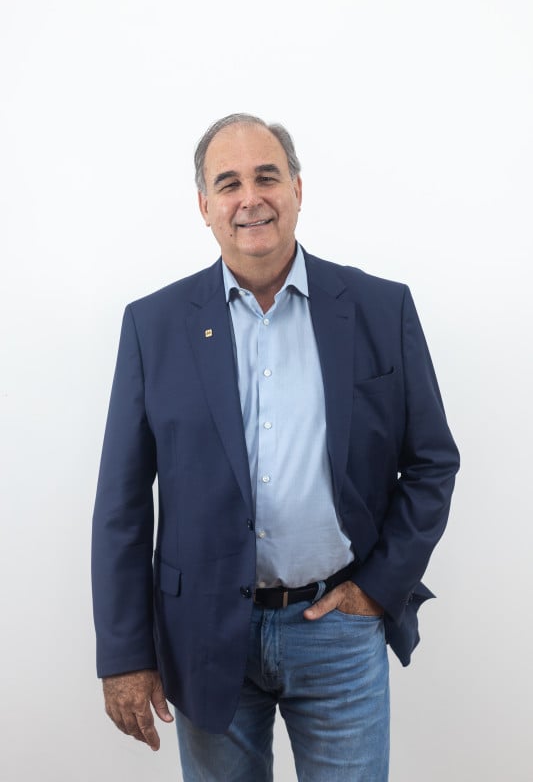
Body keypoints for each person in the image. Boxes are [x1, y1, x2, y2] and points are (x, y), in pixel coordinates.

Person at [92, 113, 459, 781]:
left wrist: (377, 589)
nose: (250, 198)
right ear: (204, 205)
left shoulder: (381, 309)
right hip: (202, 635)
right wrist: (124, 654)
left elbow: (432, 461)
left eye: (267, 177)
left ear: (297, 188)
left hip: (339, 629)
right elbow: (122, 505)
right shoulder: (154, 325)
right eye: (228, 183)